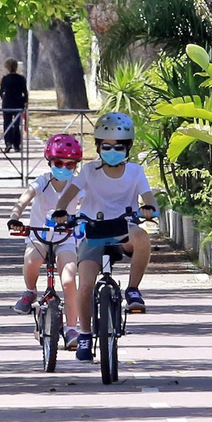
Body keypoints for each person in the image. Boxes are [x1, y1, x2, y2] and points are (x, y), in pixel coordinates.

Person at [69, 111, 156, 362]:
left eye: (119, 147)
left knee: (141, 237)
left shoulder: (135, 172)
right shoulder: (88, 171)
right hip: (93, 232)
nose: (112, 151)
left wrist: (149, 208)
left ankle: (132, 289)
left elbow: (147, 196)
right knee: (85, 284)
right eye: (106, 146)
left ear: (127, 147)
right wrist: (63, 210)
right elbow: (70, 195)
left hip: (122, 231)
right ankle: (85, 334)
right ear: (98, 146)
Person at [7, 134, 87, 350]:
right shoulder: (42, 182)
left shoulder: (76, 185)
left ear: (76, 165)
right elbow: (22, 201)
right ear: (49, 162)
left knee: (69, 279)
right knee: (32, 259)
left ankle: (72, 328)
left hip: (66, 238)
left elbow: (89, 205)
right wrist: (15, 218)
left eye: (70, 164)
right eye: (58, 163)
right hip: (39, 235)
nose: (63, 168)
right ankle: (30, 290)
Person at [0, 59, 27, 151]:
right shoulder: (21, 78)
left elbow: (1, 91)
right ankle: (17, 145)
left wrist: (4, 99)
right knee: (17, 124)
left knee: (7, 123)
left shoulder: (5, 79)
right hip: (18, 103)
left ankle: (8, 143)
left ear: (7, 68)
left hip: (7, 103)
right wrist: (25, 102)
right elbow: (25, 92)